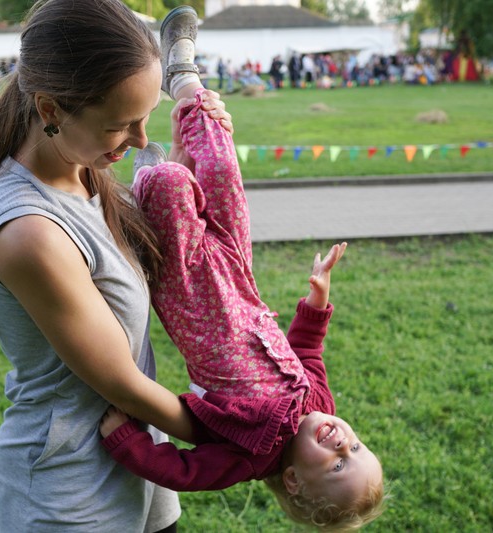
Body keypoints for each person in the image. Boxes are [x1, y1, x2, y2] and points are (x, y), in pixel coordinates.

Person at [0, 1, 231, 530]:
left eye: (146, 117)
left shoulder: (80, 169)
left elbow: (156, 253)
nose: (141, 139)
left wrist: (185, 164)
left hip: (139, 463)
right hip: (68, 495)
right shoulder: (29, 232)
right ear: (50, 110)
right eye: (122, 125)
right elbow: (121, 382)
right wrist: (241, 432)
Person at [99, 7, 384, 530]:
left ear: (295, 480)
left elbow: (182, 470)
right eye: (358, 444)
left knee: (171, 188)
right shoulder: (319, 401)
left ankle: (150, 170)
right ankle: (181, 74)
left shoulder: (249, 454)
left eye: (339, 463)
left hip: (191, 296)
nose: (344, 440)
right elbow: (308, 354)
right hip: (241, 281)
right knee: (223, 169)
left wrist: (126, 442)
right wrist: (317, 301)